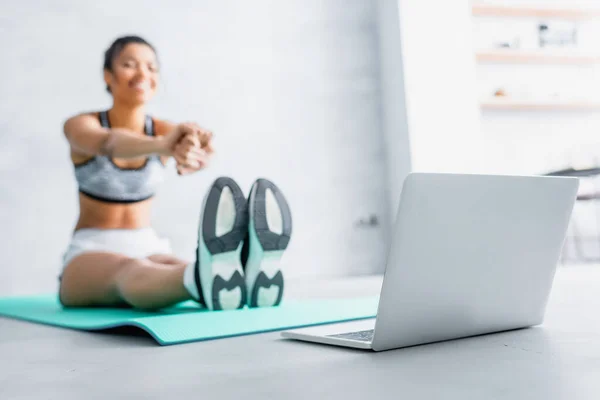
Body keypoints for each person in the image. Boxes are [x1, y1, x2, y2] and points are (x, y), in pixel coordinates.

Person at [59, 35, 292, 311]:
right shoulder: (81, 124)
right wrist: (162, 145)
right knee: (129, 269)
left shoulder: (163, 128)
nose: (142, 74)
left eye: (151, 67)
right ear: (108, 75)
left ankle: (239, 276)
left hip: (147, 243)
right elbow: (107, 143)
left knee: (186, 267)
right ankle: (201, 280)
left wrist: (197, 150)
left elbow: (194, 148)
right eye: (130, 65)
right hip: (90, 248)